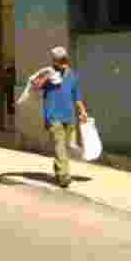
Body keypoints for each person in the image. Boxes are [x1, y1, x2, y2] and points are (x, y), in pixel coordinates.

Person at [28, 46, 88, 188]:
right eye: (58, 60)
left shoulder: (73, 76)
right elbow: (36, 86)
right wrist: (43, 78)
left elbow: (77, 97)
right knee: (60, 145)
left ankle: (58, 171)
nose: (61, 63)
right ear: (54, 61)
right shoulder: (49, 74)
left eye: (62, 60)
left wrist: (83, 112)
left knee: (64, 147)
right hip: (53, 115)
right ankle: (64, 177)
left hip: (69, 117)